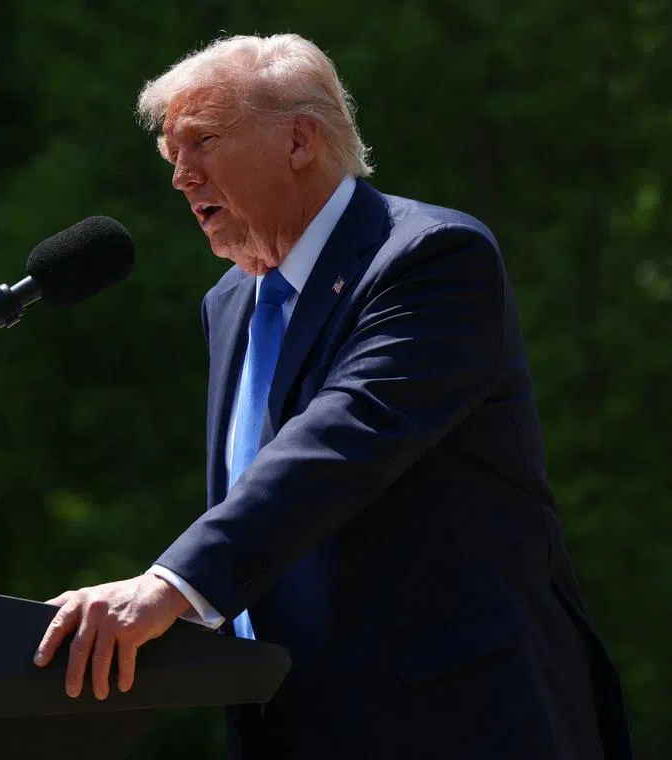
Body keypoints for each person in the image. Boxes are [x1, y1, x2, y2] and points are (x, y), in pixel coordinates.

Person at [33, 33, 632, 759]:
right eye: (171, 157)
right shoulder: (230, 304)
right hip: (294, 724)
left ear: (298, 140)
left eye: (203, 143)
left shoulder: (429, 259)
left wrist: (171, 585)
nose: (181, 177)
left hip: (457, 720)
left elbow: (341, 442)